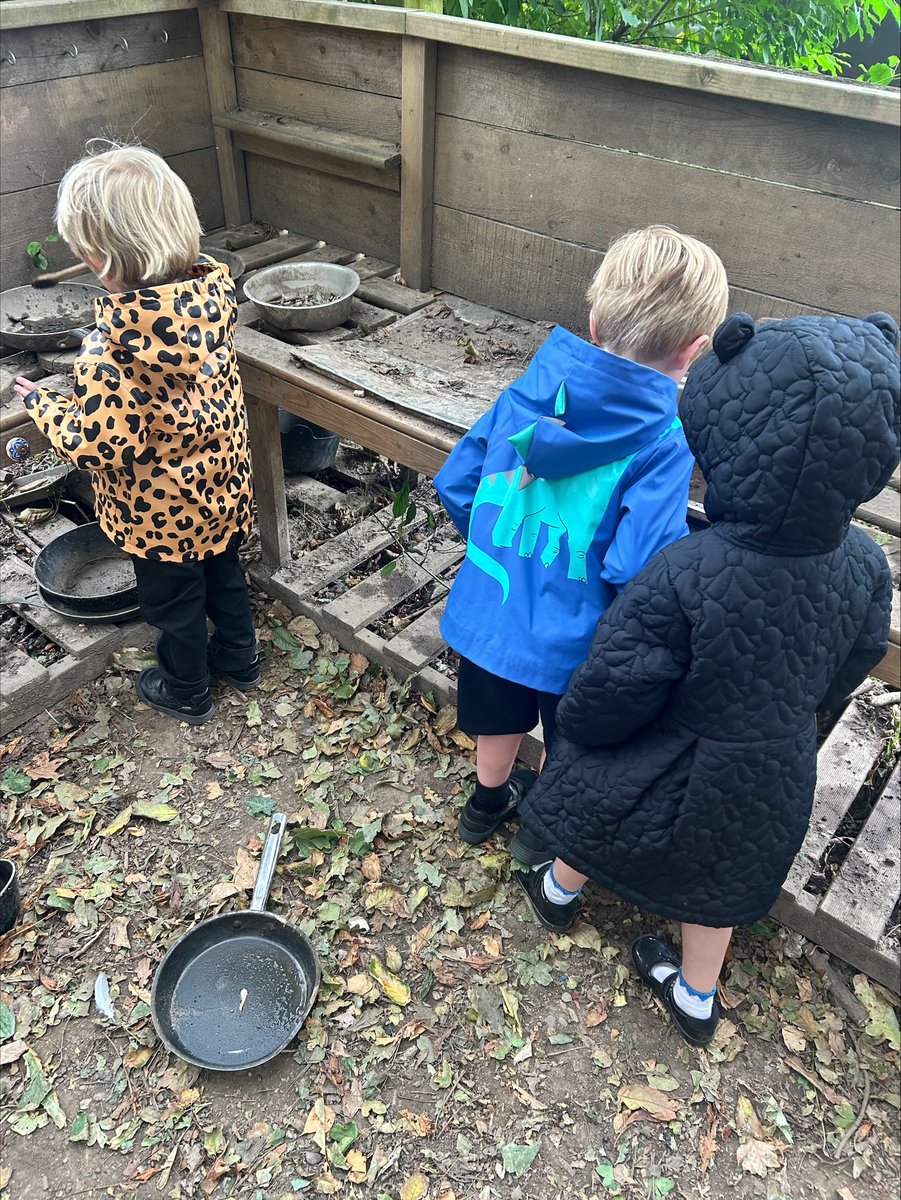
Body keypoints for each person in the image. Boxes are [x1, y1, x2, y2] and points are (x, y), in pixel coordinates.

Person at [514, 310, 900, 1046]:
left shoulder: (687, 567)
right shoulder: (865, 564)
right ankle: (695, 996)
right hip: (771, 762)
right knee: (722, 874)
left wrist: (584, 727)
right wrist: (802, 711)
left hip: (673, 742)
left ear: (730, 435)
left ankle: (557, 892)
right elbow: (855, 658)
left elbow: (619, 677)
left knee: (598, 800)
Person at [433, 226, 729, 855]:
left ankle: (485, 804)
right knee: (567, 738)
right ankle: (541, 832)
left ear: (593, 323)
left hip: (494, 608)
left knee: (496, 711)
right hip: (579, 640)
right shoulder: (665, 441)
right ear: (694, 352)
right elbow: (638, 564)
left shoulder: (529, 391)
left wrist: (497, 552)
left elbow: (458, 481)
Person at [14, 143, 257, 725]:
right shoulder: (210, 303)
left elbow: (98, 444)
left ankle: (187, 690)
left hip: (161, 512)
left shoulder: (112, 349)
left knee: (175, 604)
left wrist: (47, 404)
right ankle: (240, 660)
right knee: (224, 576)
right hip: (223, 488)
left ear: (100, 262)